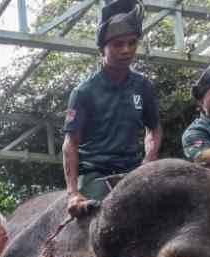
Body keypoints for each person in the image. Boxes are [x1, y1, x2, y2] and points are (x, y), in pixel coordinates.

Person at [62, 0, 161, 218]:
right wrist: (73, 193)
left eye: (132, 43)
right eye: (117, 44)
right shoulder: (84, 92)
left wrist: (149, 160)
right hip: (95, 175)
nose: (126, 50)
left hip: (133, 172)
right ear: (102, 48)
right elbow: (71, 143)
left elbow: (153, 129)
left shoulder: (143, 86)